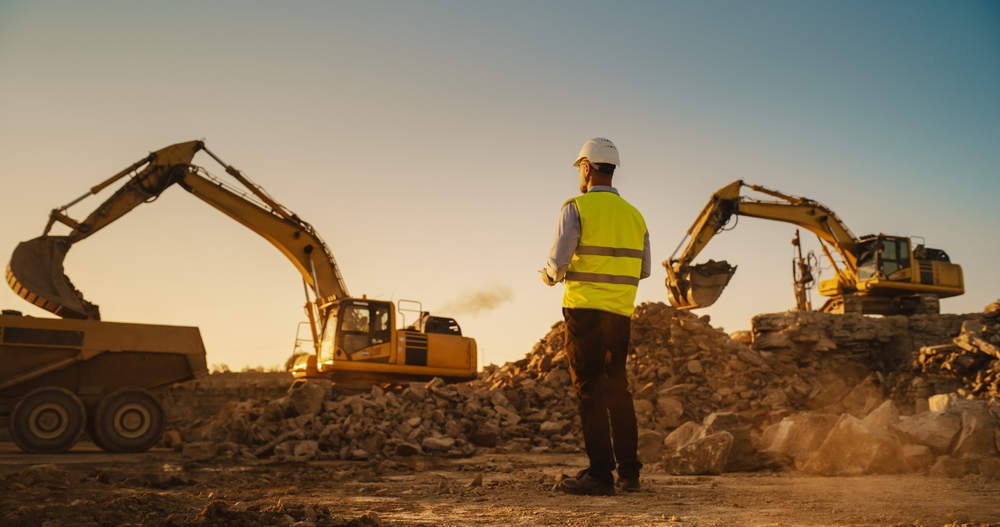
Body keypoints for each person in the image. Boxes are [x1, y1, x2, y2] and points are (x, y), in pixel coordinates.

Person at [541, 137, 651, 496]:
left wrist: (550, 276)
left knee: (590, 391)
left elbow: (557, 265)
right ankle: (630, 475)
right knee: (618, 389)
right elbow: (644, 270)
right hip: (620, 314)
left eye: (579, 169)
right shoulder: (636, 216)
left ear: (586, 167)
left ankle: (600, 475)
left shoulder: (576, 207)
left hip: (585, 312)